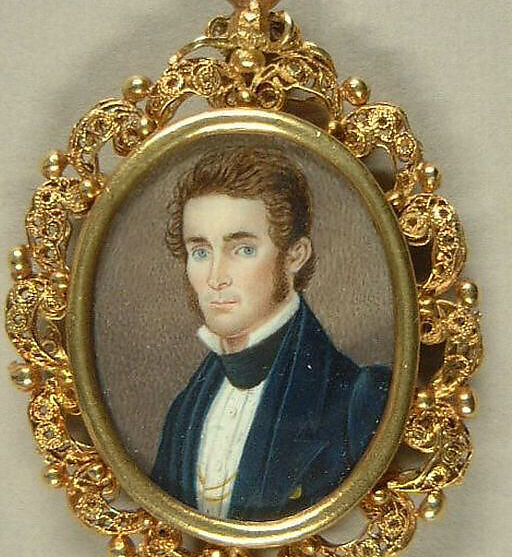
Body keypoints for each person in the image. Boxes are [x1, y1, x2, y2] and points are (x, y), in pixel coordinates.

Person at [151, 145, 391, 521]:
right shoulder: (184, 411)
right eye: (200, 252)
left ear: (295, 255)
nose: (215, 277)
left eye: (243, 249)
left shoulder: (357, 400)